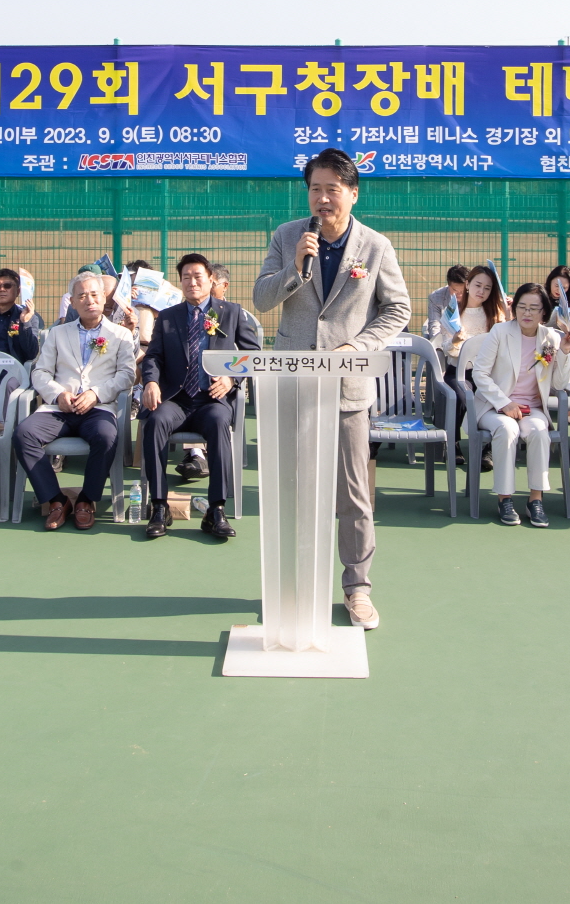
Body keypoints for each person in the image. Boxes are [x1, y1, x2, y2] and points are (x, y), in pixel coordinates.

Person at [252, 147, 411, 631]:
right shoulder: (287, 237)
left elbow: (397, 309)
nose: (323, 199)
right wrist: (295, 270)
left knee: (354, 495)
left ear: (353, 193)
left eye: (332, 190)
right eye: (315, 189)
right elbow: (261, 299)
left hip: (346, 390)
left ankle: (357, 588)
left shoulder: (376, 247)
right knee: (293, 490)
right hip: (293, 383)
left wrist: (357, 346)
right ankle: (295, 585)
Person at [138, 253, 261, 540]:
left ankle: (216, 510)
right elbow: (153, 356)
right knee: (155, 422)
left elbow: (252, 355)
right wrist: (151, 382)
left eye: (198, 277)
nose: (192, 282)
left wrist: (231, 378)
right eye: (186, 277)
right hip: (176, 399)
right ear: (180, 282)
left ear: (211, 280)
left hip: (211, 400)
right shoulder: (168, 316)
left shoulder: (231, 313)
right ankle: (159, 506)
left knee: (219, 423)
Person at [23, 274, 138, 530]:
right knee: (23, 434)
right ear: (72, 302)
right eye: (82, 296)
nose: (89, 300)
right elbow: (40, 372)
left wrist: (96, 394)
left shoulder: (120, 334)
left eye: (95, 294)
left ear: (104, 297)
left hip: (98, 408)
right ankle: (57, 500)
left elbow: (127, 375)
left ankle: (86, 500)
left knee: (106, 437)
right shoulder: (56, 333)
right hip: (59, 408)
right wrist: (58, 394)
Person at [465, 283, 570, 527]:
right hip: (494, 406)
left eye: (534, 308)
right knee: (507, 429)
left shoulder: (551, 337)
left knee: (538, 431)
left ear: (544, 312)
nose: (527, 313)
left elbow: (559, 383)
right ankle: (505, 498)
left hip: (532, 408)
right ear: (514, 309)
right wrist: (505, 403)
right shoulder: (500, 331)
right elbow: (480, 374)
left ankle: (536, 499)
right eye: (522, 307)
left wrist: (565, 352)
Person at [438, 261, 507, 368]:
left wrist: (509, 315)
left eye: (487, 288)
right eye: (478, 285)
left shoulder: (496, 314)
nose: (481, 291)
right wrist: (454, 341)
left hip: (488, 371)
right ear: (467, 284)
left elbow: (506, 347)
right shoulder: (453, 312)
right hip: (460, 371)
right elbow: (448, 351)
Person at [424, 265, 470, 347]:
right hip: (444, 342)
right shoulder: (436, 298)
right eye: (455, 290)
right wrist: (443, 346)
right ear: (448, 285)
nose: (460, 294)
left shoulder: (474, 295)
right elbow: (434, 328)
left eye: (463, 291)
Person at [542, 265, 570, 350]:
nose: (559, 290)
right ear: (550, 281)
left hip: (562, 341)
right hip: (542, 338)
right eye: (557, 286)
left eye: (564, 288)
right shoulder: (541, 297)